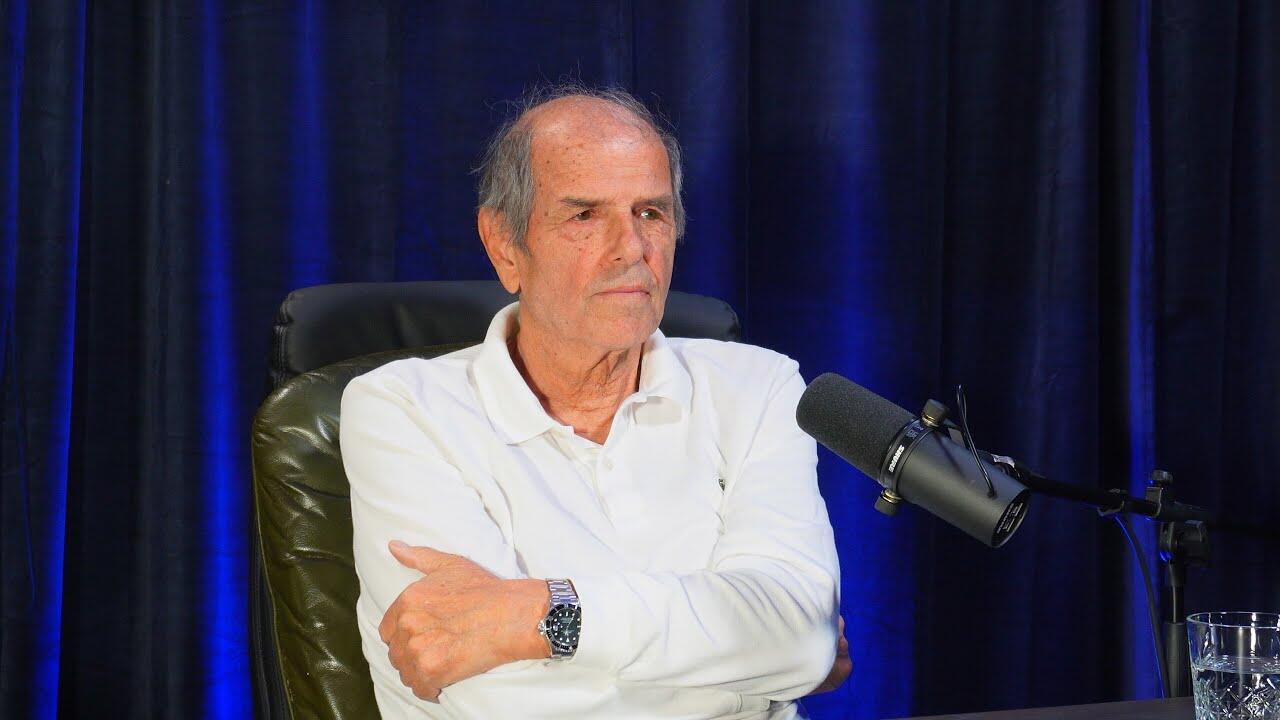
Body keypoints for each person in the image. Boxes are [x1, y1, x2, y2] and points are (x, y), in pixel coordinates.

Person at [340, 85, 850, 719]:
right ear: (504, 245)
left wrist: (540, 614)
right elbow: (500, 700)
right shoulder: (401, 411)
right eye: (584, 215)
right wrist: (749, 667)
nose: (631, 248)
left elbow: (802, 635)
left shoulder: (761, 387)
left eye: (651, 213)